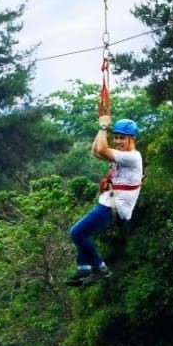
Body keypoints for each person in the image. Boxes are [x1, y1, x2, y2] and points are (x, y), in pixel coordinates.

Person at [66, 114, 142, 286]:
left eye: (122, 138)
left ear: (132, 138)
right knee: (81, 233)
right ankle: (84, 269)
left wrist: (103, 127)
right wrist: (104, 128)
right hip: (110, 203)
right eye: (115, 137)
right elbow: (96, 151)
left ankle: (100, 268)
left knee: (76, 233)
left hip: (115, 207)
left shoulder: (132, 157)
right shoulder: (123, 155)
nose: (117, 141)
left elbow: (102, 149)